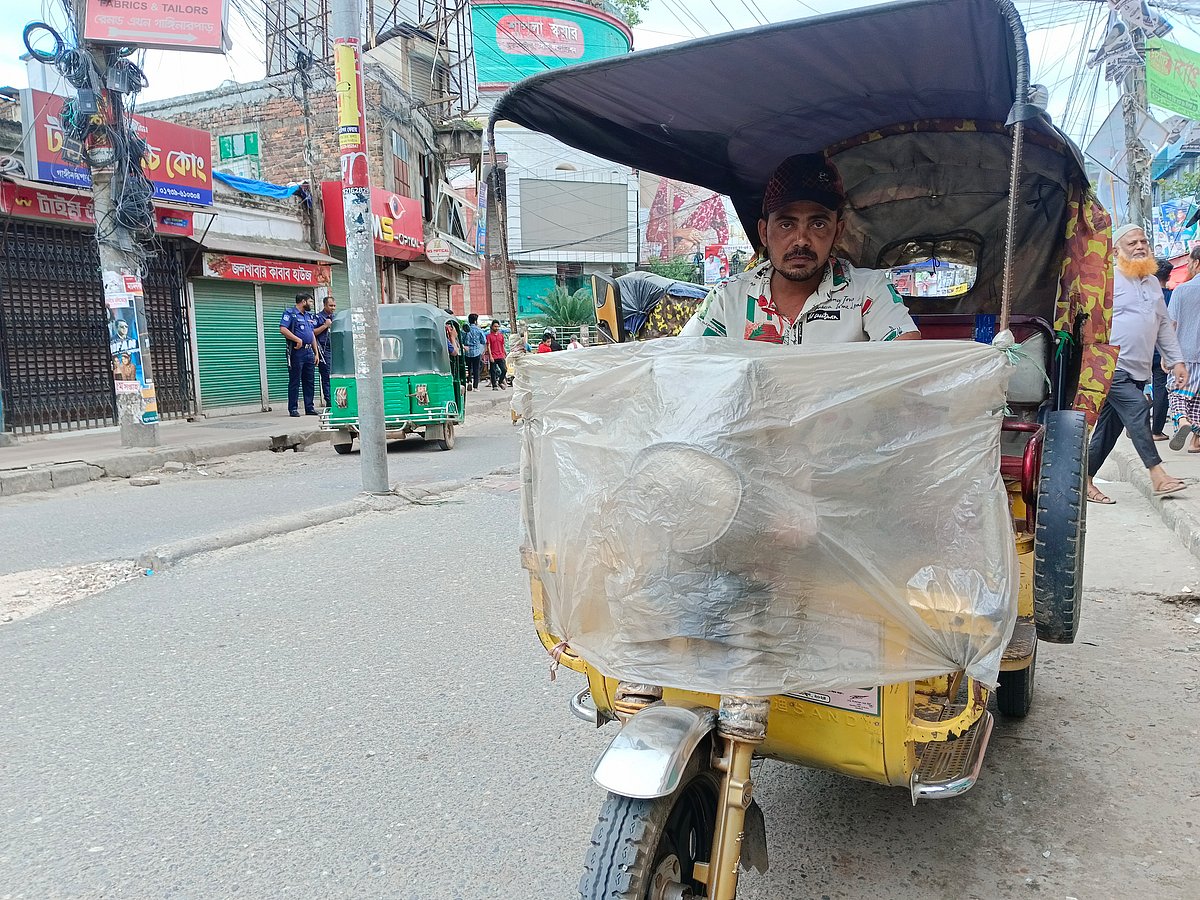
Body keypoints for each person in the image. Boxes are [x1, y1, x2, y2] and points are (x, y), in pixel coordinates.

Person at [681, 153, 921, 344]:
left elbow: (905, 360)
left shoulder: (868, 291)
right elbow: (685, 364)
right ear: (764, 232)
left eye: (818, 224)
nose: (801, 240)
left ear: (837, 232)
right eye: (787, 224)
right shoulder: (729, 297)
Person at [1085, 224, 1188, 504]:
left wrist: (1175, 358)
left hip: (1139, 369)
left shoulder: (1153, 282)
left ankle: (1085, 479)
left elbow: (1164, 325)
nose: (1140, 246)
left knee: (1109, 431)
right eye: (1132, 243)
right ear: (1117, 250)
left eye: (1144, 241)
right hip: (1109, 365)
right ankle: (1157, 474)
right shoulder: (1108, 279)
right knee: (1138, 406)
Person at [1167, 246, 1200, 453]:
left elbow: (1171, 325)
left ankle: (1182, 419)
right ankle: (1196, 441)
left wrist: (1165, 354)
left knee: (1177, 392)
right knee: (1198, 400)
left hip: (1184, 354)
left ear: (1196, 263)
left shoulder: (1182, 290)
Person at [280, 292, 318, 417]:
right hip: (296, 352)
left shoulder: (308, 316)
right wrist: (297, 339)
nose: (311, 304)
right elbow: (283, 329)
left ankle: (309, 407)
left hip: (309, 352)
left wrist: (316, 352)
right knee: (295, 380)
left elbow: (311, 334)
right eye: (310, 302)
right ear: (303, 302)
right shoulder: (290, 313)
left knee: (309, 380)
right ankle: (293, 408)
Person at [1150, 259, 1175, 440]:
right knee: (1161, 391)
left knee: (1134, 389)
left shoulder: (1144, 296)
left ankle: (1134, 424)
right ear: (1169, 276)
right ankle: (1156, 431)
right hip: (1162, 354)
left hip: (1141, 350)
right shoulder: (1171, 297)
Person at [312, 295, 337, 408]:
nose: (333, 308)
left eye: (334, 306)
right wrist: (325, 326)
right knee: (326, 376)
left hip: (335, 350)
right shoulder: (317, 317)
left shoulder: (335, 317)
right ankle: (329, 401)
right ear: (325, 305)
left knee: (335, 376)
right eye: (330, 305)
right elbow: (312, 332)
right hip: (323, 350)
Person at [462, 313, 486, 391]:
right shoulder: (479, 330)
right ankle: (475, 387)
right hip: (476, 352)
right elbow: (483, 340)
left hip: (467, 352)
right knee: (476, 369)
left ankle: (469, 381)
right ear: (475, 321)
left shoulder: (465, 330)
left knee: (468, 368)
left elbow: (461, 339)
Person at [485, 319, 508, 389]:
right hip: (493, 355)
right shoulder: (489, 336)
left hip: (501, 355)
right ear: (492, 327)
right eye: (495, 326)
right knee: (493, 371)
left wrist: (505, 353)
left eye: (498, 326)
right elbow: (488, 346)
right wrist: (490, 356)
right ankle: (494, 385)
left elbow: (503, 345)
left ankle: (500, 381)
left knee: (504, 370)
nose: (496, 328)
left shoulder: (501, 335)